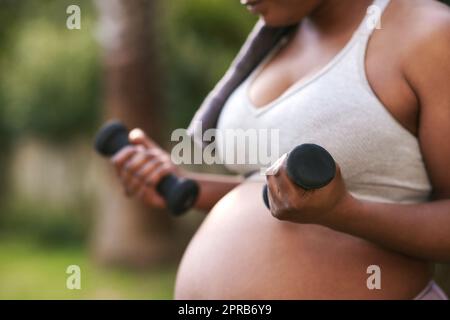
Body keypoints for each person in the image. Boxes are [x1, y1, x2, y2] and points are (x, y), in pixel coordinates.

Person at [111, 0, 450, 299]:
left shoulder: (429, 33)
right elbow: (279, 195)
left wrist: (347, 214)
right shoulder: (277, 39)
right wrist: (189, 186)